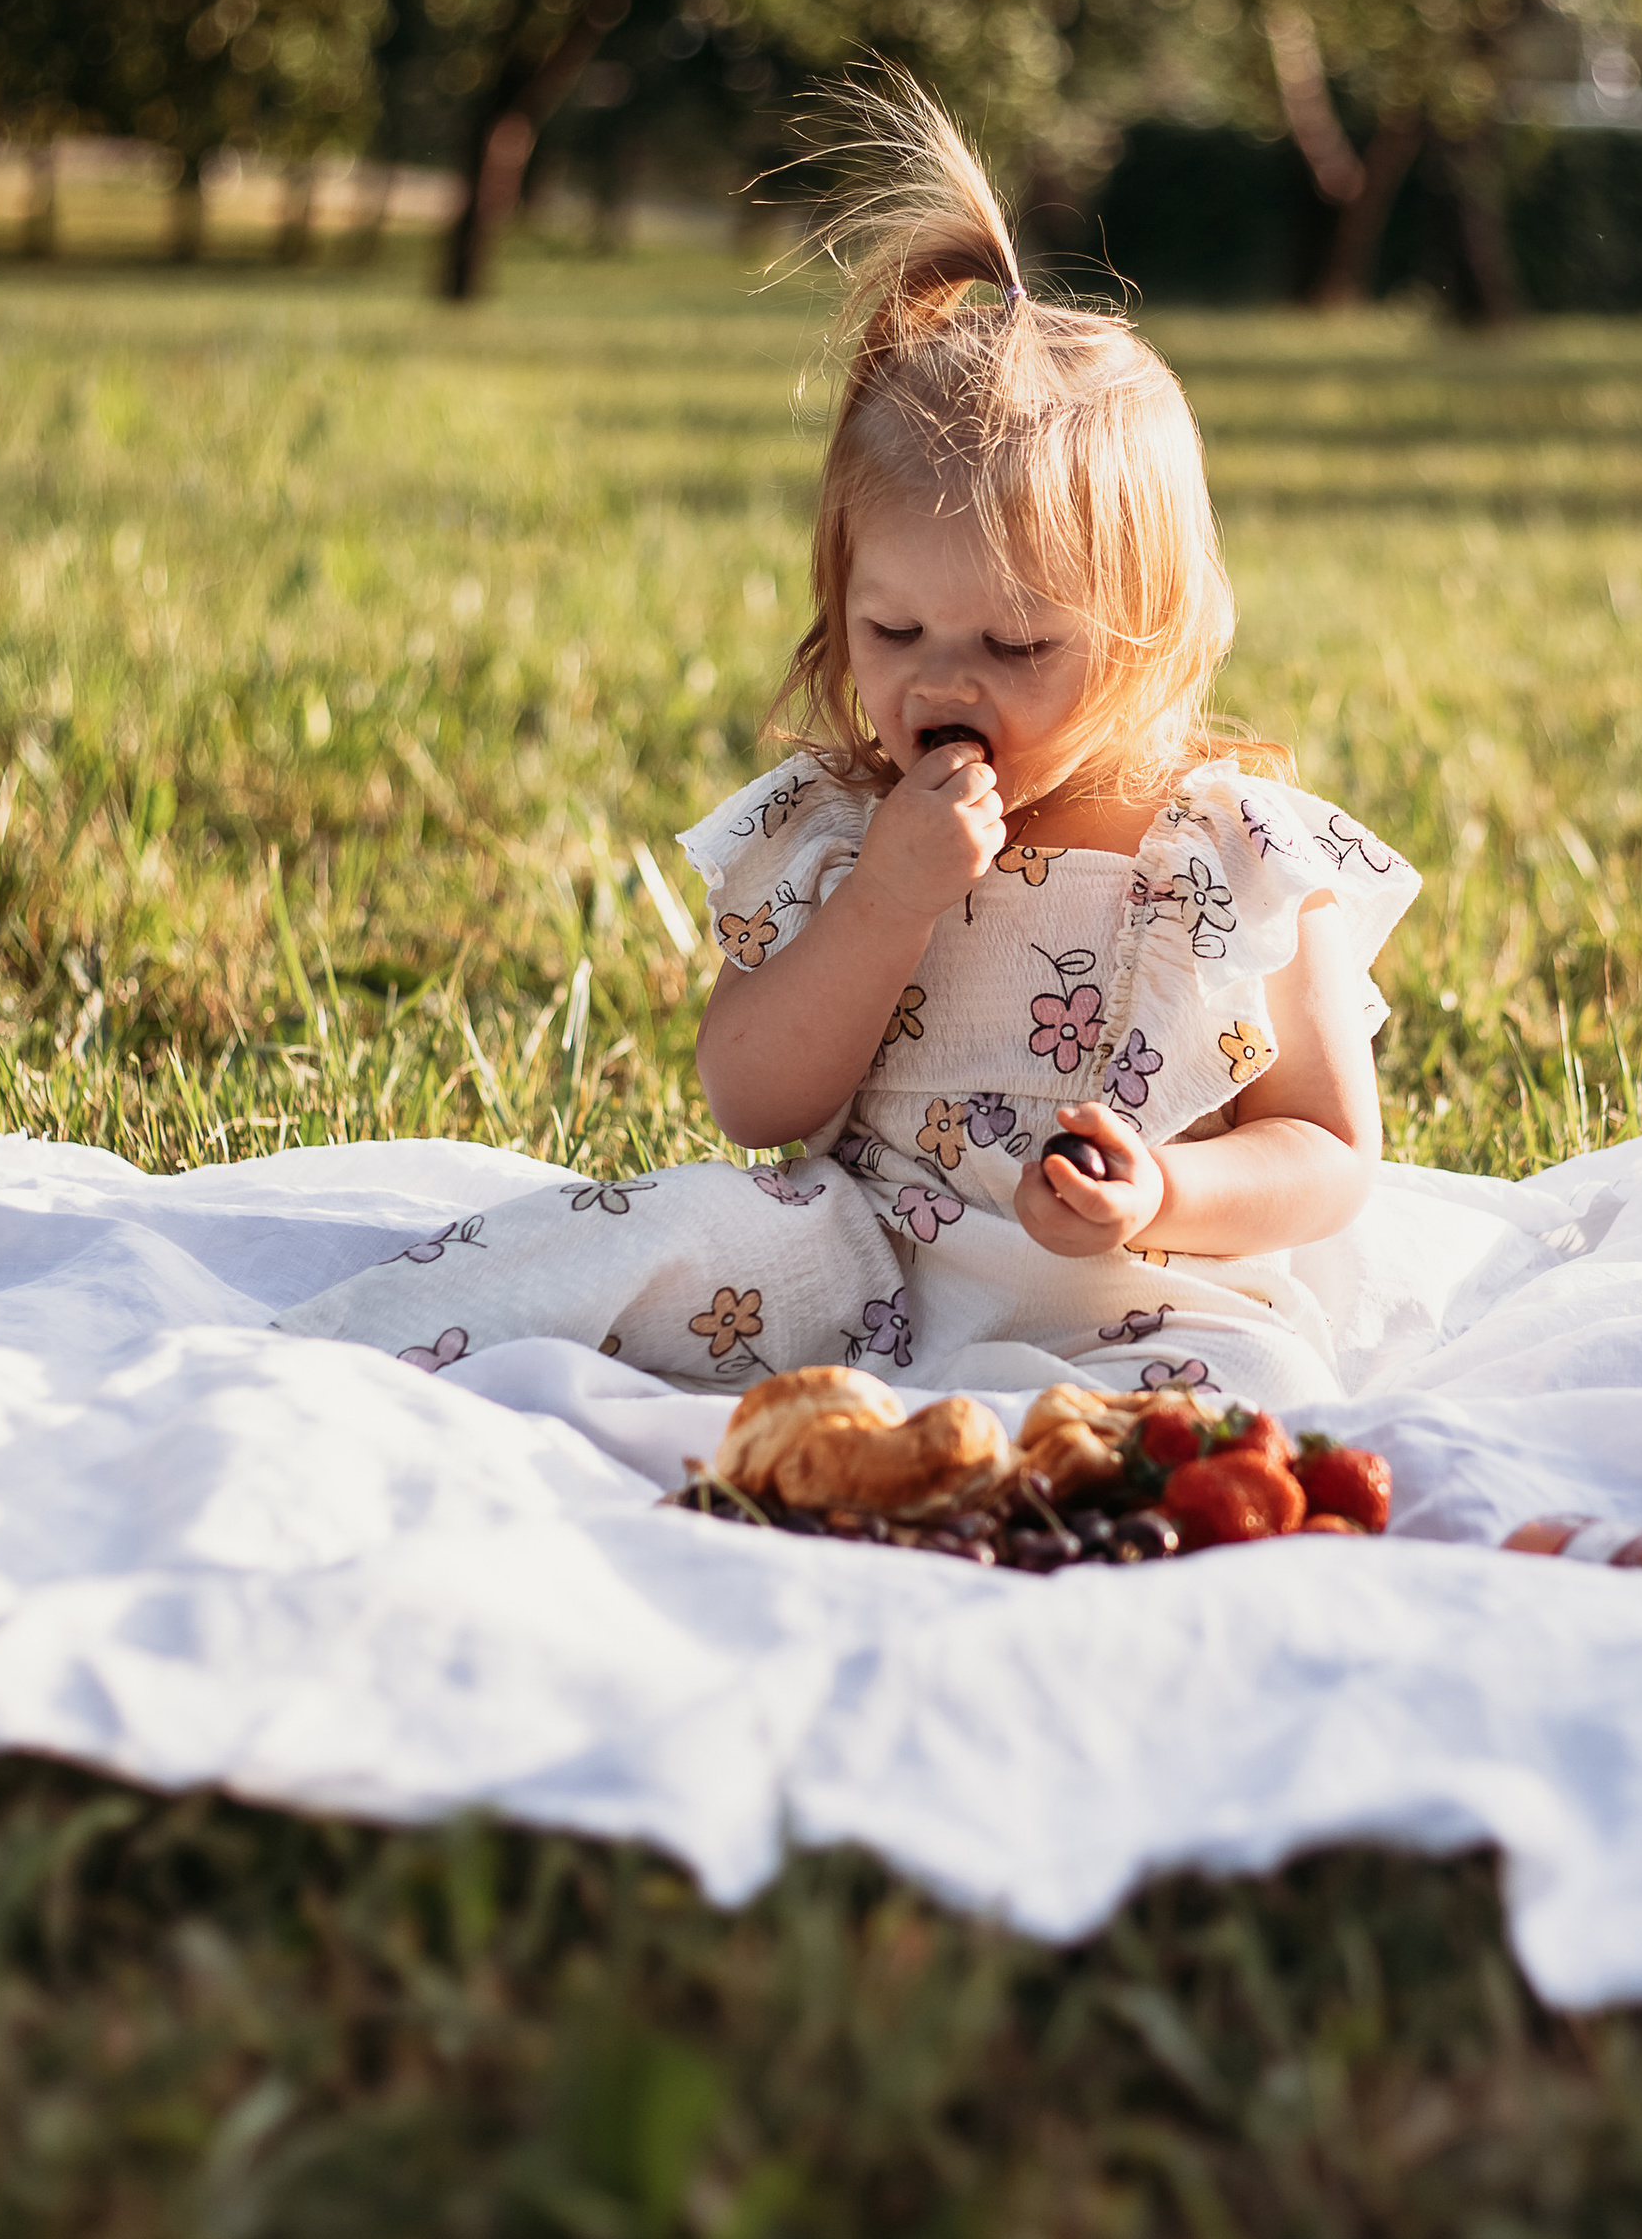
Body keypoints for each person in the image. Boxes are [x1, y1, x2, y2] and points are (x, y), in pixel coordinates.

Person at [274, 82, 1420, 1404]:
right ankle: (352, 1368)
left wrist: (1165, 1187)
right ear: (840, 600)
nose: (944, 680)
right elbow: (756, 1104)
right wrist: (886, 895)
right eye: (893, 630)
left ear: (1152, 633)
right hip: (856, 1267)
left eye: (1016, 648)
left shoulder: (1237, 857)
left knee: (1233, 1400)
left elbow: (1327, 1149)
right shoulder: (837, 826)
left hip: (1135, 1294)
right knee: (662, 1223)